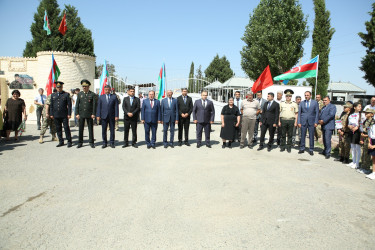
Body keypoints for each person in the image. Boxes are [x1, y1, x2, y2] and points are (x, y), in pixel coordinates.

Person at [49, 81, 72, 147]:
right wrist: (51, 114)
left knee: (66, 128)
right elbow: (51, 105)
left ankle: (69, 141)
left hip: (64, 114)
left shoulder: (66, 94)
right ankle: (61, 141)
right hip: (56, 115)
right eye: (57, 87)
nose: (59, 88)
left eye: (60, 87)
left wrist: (69, 114)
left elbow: (69, 105)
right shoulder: (53, 95)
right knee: (58, 128)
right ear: (56, 88)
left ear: (62, 87)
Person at [75, 80, 96, 148]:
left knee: (90, 128)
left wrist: (93, 113)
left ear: (88, 87)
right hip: (81, 114)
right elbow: (77, 105)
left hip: (89, 114)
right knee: (81, 129)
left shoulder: (92, 94)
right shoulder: (80, 94)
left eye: (85, 86)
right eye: (83, 86)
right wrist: (77, 113)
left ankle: (91, 142)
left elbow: (94, 105)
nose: (84, 87)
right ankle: (80, 142)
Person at [298, 91, 319, 155]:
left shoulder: (315, 103)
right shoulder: (302, 103)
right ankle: (302, 148)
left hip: (311, 122)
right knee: (302, 135)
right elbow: (299, 113)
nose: (306, 96)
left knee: (311, 136)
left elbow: (317, 113)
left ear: (310, 95)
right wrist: (299, 122)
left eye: (307, 95)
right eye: (305, 95)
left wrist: (316, 122)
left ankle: (311, 149)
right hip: (303, 121)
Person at [346, 102, 366, 169]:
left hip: (358, 131)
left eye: (360, 106)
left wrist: (357, 127)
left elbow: (363, 123)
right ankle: (353, 161)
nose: (360, 108)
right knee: (353, 147)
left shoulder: (362, 115)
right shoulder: (351, 115)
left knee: (358, 148)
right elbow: (348, 123)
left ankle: (357, 163)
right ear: (355, 107)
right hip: (352, 131)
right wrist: (350, 127)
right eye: (358, 106)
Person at [358, 108, 375, 174]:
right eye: (365, 113)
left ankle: (367, 167)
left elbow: (371, 133)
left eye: (367, 113)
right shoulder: (366, 120)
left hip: (369, 139)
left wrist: (365, 136)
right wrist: (361, 138)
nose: (366, 114)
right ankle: (363, 166)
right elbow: (363, 130)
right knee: (363, 153)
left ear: (372, 114)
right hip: (364, 138)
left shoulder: (372, 122)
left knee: (367, 154)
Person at [365, 113, 375, 180]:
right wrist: (369, 143)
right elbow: (370, 134)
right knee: (373, 157)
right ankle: (373, 172)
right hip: (372, 140)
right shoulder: (373, 125)